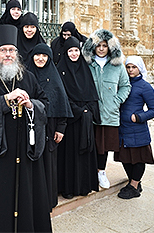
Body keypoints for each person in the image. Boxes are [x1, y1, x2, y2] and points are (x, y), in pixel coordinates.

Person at [0, 24, 51, 232]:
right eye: (3, 50)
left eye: (12, 50)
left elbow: (44, 104)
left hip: (25, 153)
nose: (8, 54)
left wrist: (32, 105)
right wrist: (5, 100)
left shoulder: (28, 77)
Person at [26, 43, 73, 208]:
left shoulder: (54, 76)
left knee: (48, 163)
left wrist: (61, 128)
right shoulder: (26, 74)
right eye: (37, 55)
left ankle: (46, 201)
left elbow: (61, 101)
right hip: (29, 125)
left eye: (44, 55)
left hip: (50, 126)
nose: (40, 58)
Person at [82, 29, 131, 189]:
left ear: (110, 47)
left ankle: (101, 172)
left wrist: (117, 100)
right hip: (91, 112)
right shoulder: (88, 65)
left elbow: (125, 86)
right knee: (91, 144)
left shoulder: (117, 66)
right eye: (99, 45)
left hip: (110, 113)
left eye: (105, 45)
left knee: (104, 146)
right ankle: (90, 172)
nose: (101, 49)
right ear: (93, 47)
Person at [56, 37, 100, 199]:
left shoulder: (84, 68)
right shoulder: (60, 70)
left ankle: (83, 186)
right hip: (70, 120)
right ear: (65, 52)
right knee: (69, 157)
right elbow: (62, 96)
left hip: (85, 121)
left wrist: (88, 111)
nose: (74, 54)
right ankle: (68, 188)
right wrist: (79, 111)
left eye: (76, 50)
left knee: (83, 156)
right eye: (70, 51)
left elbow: (92, 93)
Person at [114, 56, 154, 199]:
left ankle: (133, 186)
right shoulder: (122, 84)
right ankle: (135, 183)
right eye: (128, 67)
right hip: (122, 129)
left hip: (137, 130)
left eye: (133, 67)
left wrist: (138, 117)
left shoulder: (145, 87)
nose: (130, 70)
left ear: (139, 68)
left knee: (138, 159)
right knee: (125, 158)